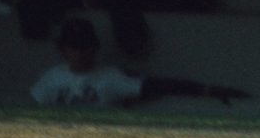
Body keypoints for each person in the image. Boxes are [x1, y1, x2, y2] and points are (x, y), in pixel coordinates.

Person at [31, 18, 248, 108]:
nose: (80, 52)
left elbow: (160, 85)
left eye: (85, 46)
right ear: (63, 49)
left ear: (94, 48)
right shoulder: (50, 78)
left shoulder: (111, 77)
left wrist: (208, 90)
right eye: (74, 46)